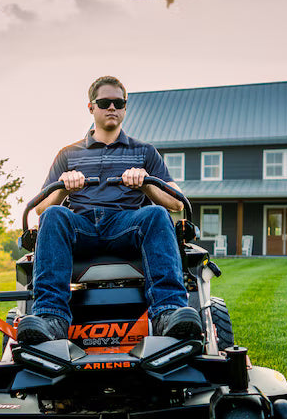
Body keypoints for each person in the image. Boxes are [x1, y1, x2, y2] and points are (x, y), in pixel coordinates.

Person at [16, 75, 202, 345]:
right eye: (105, 102)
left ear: (125, 108)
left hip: (126, 225)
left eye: (118, 103)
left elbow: (176, 202)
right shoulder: (68, 154)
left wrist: (146, 185)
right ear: (91, 108)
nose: (112, 108)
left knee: (157, 214)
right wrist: (65, 188)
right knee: (54, 215)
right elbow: (42, 208)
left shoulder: (145, 152)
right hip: (80, 227)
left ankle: (168, 313)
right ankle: (51, 319)